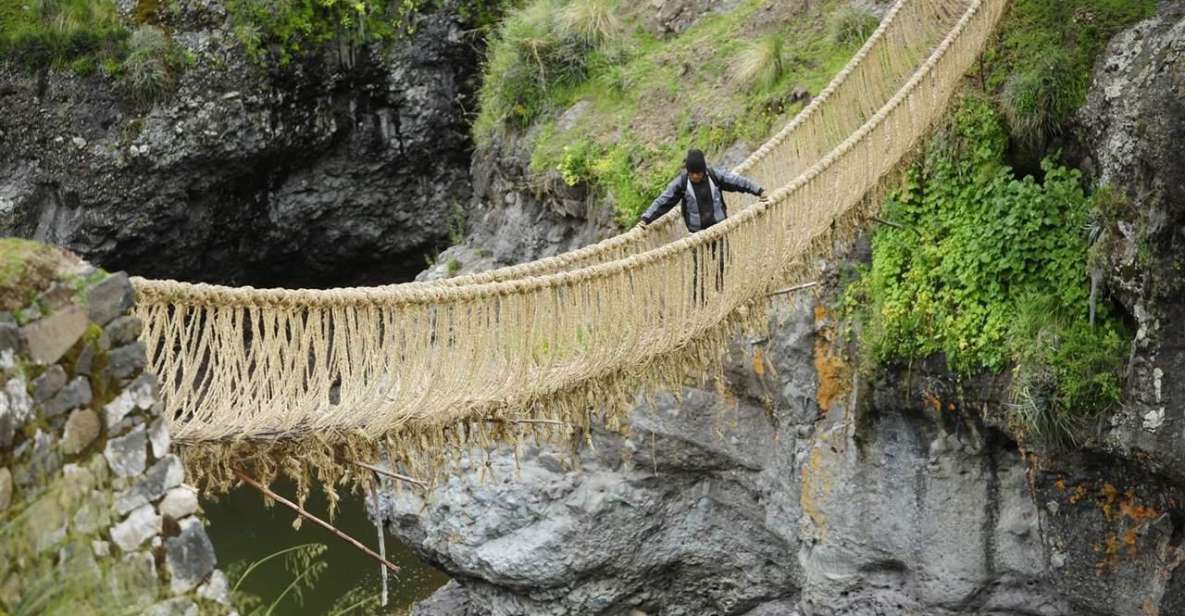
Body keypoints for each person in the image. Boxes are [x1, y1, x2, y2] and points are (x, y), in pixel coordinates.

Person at [635, 149, 767, 303]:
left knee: (723, 262)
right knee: (701, 271)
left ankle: (719, 296)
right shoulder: (682, 184)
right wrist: (646, 218)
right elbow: (664, 200)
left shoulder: (715, 176)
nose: (695, 176)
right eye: (692, 173)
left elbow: (737, 182)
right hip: (698, 236)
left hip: (720, 230)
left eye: (698, 173)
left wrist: (759, 190)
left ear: (704, 170)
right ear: (688, 172)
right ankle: (700, 304)